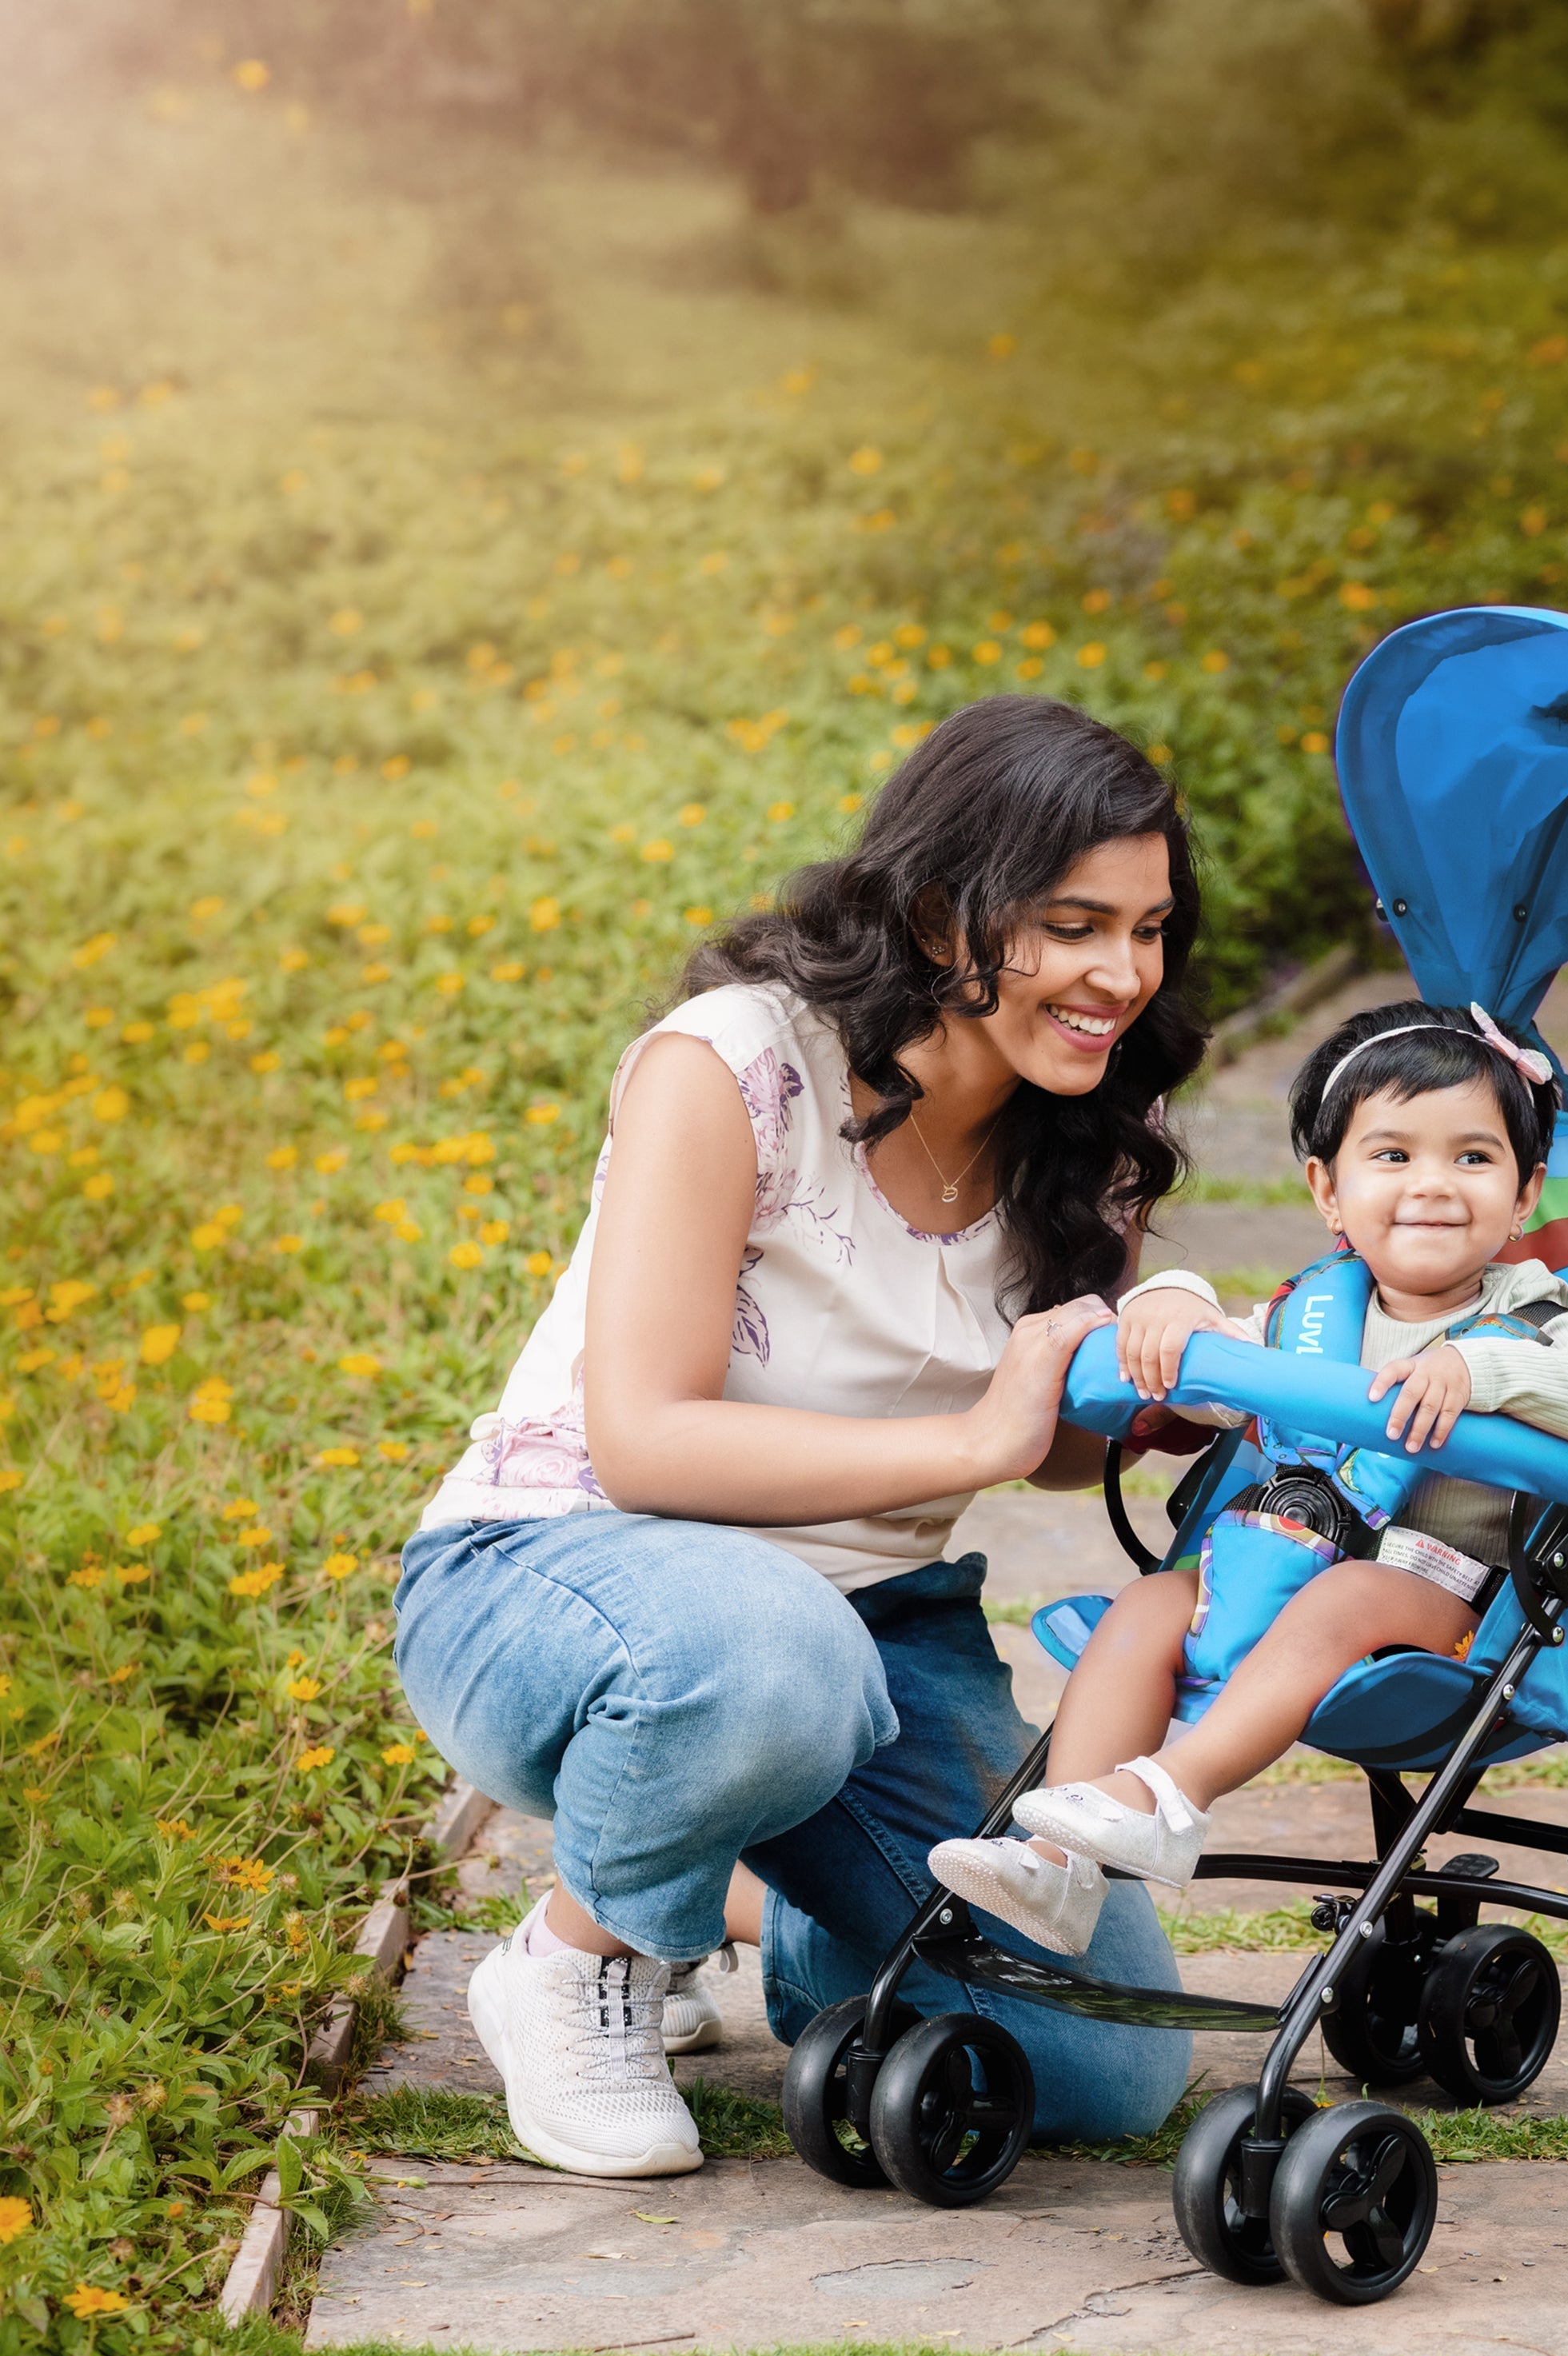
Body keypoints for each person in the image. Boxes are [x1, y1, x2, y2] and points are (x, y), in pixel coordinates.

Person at [391, 695, 1208, 2178]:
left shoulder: (1078, 1125)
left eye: (1147, 930)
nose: (1120, 977)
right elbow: (644, 1443)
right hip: (562, 1577)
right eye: (1075, 925)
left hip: (866, 1635)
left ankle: (708, 1905)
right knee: (778, 1662)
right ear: (936, 907)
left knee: (1106, 2055)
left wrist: (1149, 1402)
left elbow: (1061, 1444)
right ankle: (577, 1958)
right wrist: (977, 1439)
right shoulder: (738, 1063)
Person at [928, 1000, 1568, 1954]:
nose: (1433, 1184)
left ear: (1525, 1196)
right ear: (1327, 1189)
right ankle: (1060, 1863)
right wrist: (1171, 1302)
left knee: (1351, 1590)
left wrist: (1485, 1374)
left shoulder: (1534, 1325)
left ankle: (1169, 1795)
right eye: (1392, 1156)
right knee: (1150, 1606)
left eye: (1473, 1158)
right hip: (1280, 1570)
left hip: (1437, 1602)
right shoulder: (1307, 1317)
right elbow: (1206, 1371)